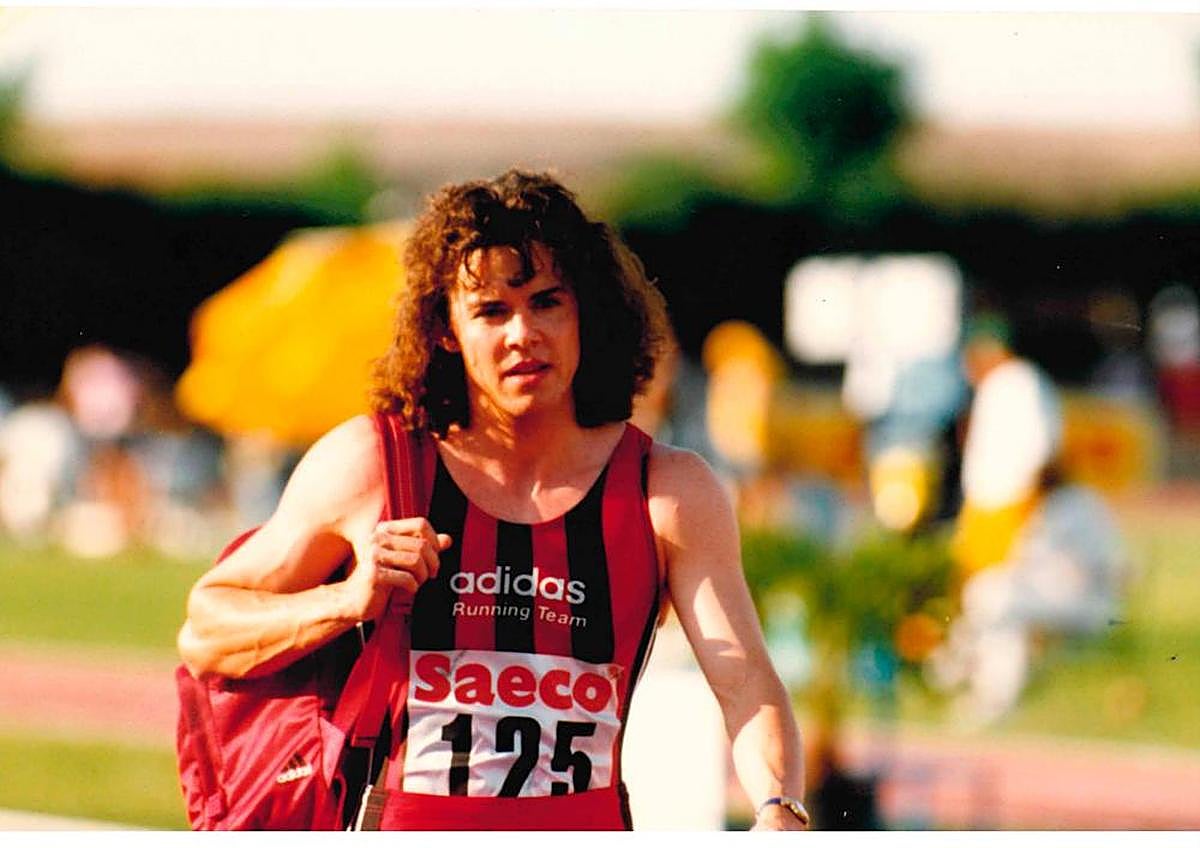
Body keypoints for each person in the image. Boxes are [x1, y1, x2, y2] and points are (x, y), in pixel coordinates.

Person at [177, 170, 807, 831]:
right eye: (491, 311)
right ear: (446, 328)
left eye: (546, 302)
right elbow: (206, 630)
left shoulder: (667, 490)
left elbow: (745, 683)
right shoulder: (374, 465)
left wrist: (780, 810)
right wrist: (346, 600)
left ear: (585, 312)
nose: (522, 334)